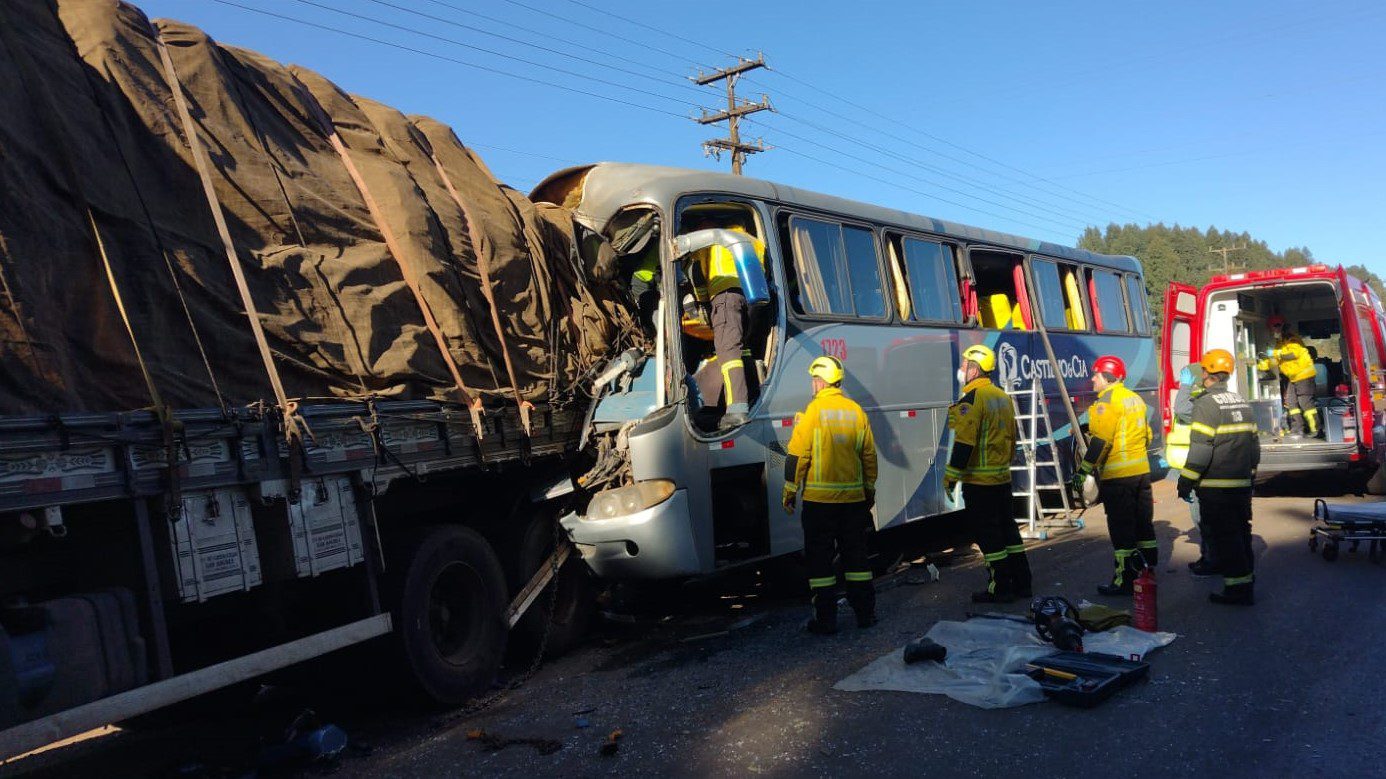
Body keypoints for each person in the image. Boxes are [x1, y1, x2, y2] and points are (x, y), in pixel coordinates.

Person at [782, 355, 878, 634]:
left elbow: (797, 455)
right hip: (853, 503)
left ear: (821, 381)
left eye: (814, 378)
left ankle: (826, 620)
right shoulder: (856, 412)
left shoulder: (813, 412)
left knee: (820, 562)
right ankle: (865, 614)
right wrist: (868, 491)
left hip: (819, 504)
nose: (812, 384)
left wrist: (790, 490)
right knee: (857, 559)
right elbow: (869, 457)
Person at [944, 344, 1033, 603]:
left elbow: (964, 443)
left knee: (990, 538)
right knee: (1009, 532)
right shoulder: (1001, 396)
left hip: (979, 482)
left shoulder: (972, 399)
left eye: (964, 364)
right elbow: (1012, 438)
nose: (961, 369)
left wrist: (951, 477)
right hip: (1001, 479)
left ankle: (1000, 588)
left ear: (975, 369)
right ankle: (1022, 583)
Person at [1178, 348, 1260, 605]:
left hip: (1215, 486)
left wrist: (1186, 480)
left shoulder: (1205, 404)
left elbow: (1201, 448)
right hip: (1241, 484)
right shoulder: (1240, 401)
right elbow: (1254, 446)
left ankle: (1237, 589)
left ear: (1207, 372)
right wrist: (1251, 476)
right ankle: (1246, 578)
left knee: (1226, 538)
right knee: (1241, 533)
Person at [1069, 355, 1156, 596]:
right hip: (1141, 473)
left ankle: (1124, 582)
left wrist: (1084, 470)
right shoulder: (1134, 399)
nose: (1092, 379)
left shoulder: (1105, 402)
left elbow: (1101, 442)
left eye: (1096, 375)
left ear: (1107, 377)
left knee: (1122, 531)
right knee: (1143, 527)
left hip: (1118, 476)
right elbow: (1146, 435)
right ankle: (1147, 573)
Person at [683, 215, 766, 429]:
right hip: (752, 300)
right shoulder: (754, 242)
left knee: (728, 352)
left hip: (725, 296)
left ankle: (737, 409)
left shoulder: (715, 240)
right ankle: (752, 395)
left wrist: (702, 304)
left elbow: (697, 275)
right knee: (742, 350)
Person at [1167, 366, 1213, 575]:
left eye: (1184, 380)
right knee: (1204, 518)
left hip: (1196, 468)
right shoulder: (1206, 401)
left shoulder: (1198, 404)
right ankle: (1211, 557)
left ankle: (1211, 560)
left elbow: (1182, 410)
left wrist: (1185, 388)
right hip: (1190, 465)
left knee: (1203, 519)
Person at [1257, 314, 1318, 439]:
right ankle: (1297, 428)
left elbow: (1293, 354)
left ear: (1282, 326)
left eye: (1275, 326)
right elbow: (1276, 360)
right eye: (1272, 327)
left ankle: (1315, 429)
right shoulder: (1280, 343)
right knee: (1291, 402)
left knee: (1305, 403)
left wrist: (1277, 354)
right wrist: (1262, 365)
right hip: (1293, 377)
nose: (1273, 330)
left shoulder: (1291, 338)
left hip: (1304, 376)